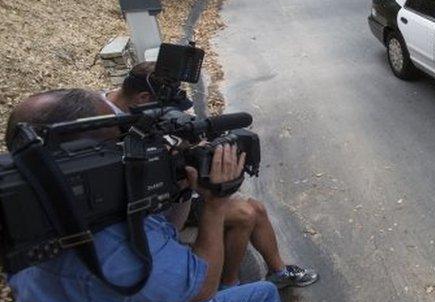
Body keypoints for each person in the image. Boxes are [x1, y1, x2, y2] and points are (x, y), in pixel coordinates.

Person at [4, 89, 326, 302]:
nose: (128, 151)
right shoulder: (111, 245)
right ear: (81, 160)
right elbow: (202, 286)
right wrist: (213, 205)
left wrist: (176, 187)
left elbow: (166, 234)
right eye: (117, 143)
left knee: (263, 296)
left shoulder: (32, 224)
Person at [104, 62, 318, 289]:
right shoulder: (104, 129)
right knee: (246, 214)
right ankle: (228, 287)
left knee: (257, 208)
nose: (169, 113)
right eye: (165, 107)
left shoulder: (115, 105)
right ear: (143, 98)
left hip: (177, 196)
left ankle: (280, 272)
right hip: (157, 211)